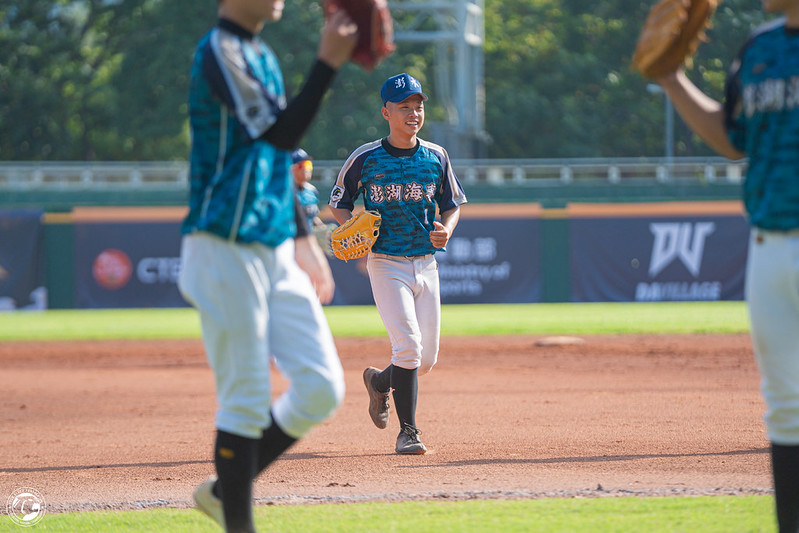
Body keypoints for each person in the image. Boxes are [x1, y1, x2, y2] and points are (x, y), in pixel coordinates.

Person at [177, 1, 357, 531]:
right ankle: (239, 520)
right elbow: (278, 136)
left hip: (273, 244)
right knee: (247, 399)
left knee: (322, 386)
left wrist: (302, 239)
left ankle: (223, 492)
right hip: (224, 245)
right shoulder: (220, 50)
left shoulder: (261, 54)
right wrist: (327, 63)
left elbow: (279, 159)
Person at [650, 4, 799, 532]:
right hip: (768, 242)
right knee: (785, 407)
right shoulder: (759, 48)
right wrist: (672, 79)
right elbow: (734, 137)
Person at [328, 73, 467, 455]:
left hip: (426, 263)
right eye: (404, 106)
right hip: (386, 262)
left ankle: (379, 383)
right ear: (386, 112)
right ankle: (409, 432)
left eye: (418, 106)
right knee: (407, 347)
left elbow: (452, 204)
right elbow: (338, 202)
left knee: (425, 359)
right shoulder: (366, 157)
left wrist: (447, 230)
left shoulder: (436, 155)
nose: (413, 113)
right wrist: (352, 227)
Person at [291, 148, 325, 229]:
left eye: (308, 164)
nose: (306, 169)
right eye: (301, 166)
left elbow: (313, 217)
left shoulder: (312, 190)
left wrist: (323, 228)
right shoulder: (284, 192)